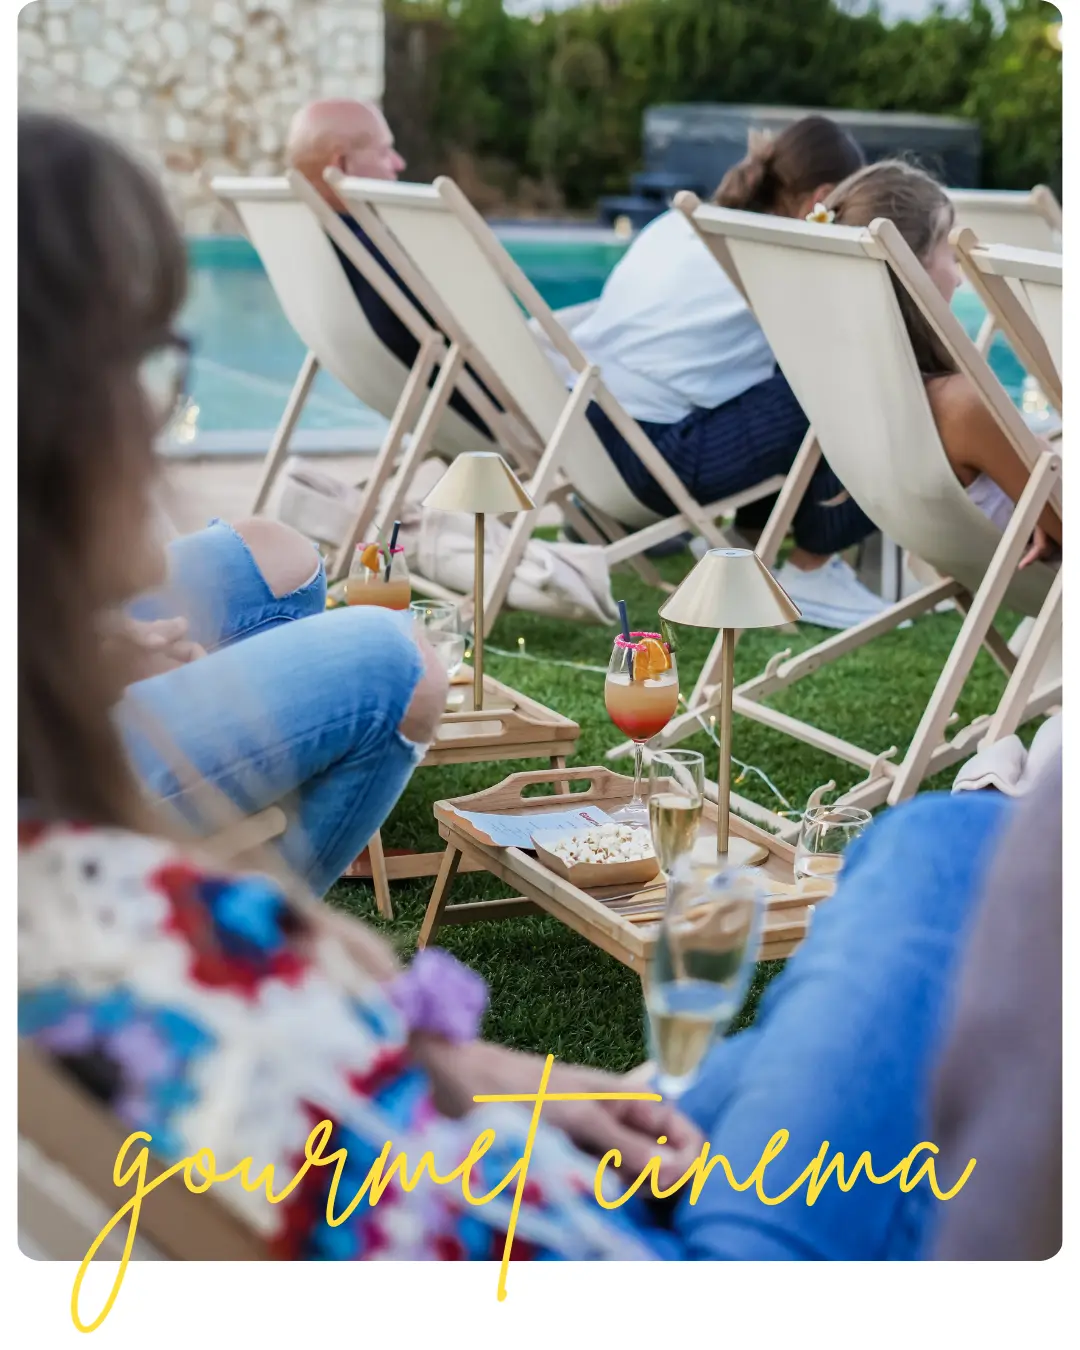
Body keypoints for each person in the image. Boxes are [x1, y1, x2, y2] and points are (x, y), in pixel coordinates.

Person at [20, 111, 1050, 1267]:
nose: (159, 416)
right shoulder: (95, 933)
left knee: (784, 1037)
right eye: (146, 367)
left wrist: (488, 1079)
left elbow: (314, 1086)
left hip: (559, 1189)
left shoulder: (86, 907)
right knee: (943, 852)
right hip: (661, 1273)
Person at [571, 116, 882, 630]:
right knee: (858, 380)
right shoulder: (767, 250)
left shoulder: (678, 224)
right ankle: (812, 568)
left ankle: (745, 543)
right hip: (653, 464)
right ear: (821, 199)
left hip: (589, 439)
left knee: (787, 376)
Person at [826, 159, 1061, 566]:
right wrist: (1046, 483)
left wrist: (1041, 487)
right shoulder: (960, 404)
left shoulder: (850, 391)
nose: (959, 277)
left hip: (983, 569)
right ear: (912, 270)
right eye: (950, 257)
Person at [285, 98, 494, 438]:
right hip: (508, 412)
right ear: (341, 164)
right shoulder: (381, 256)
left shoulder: (308, 246)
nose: (399, 163)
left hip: (431, 409)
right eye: (384, 152)